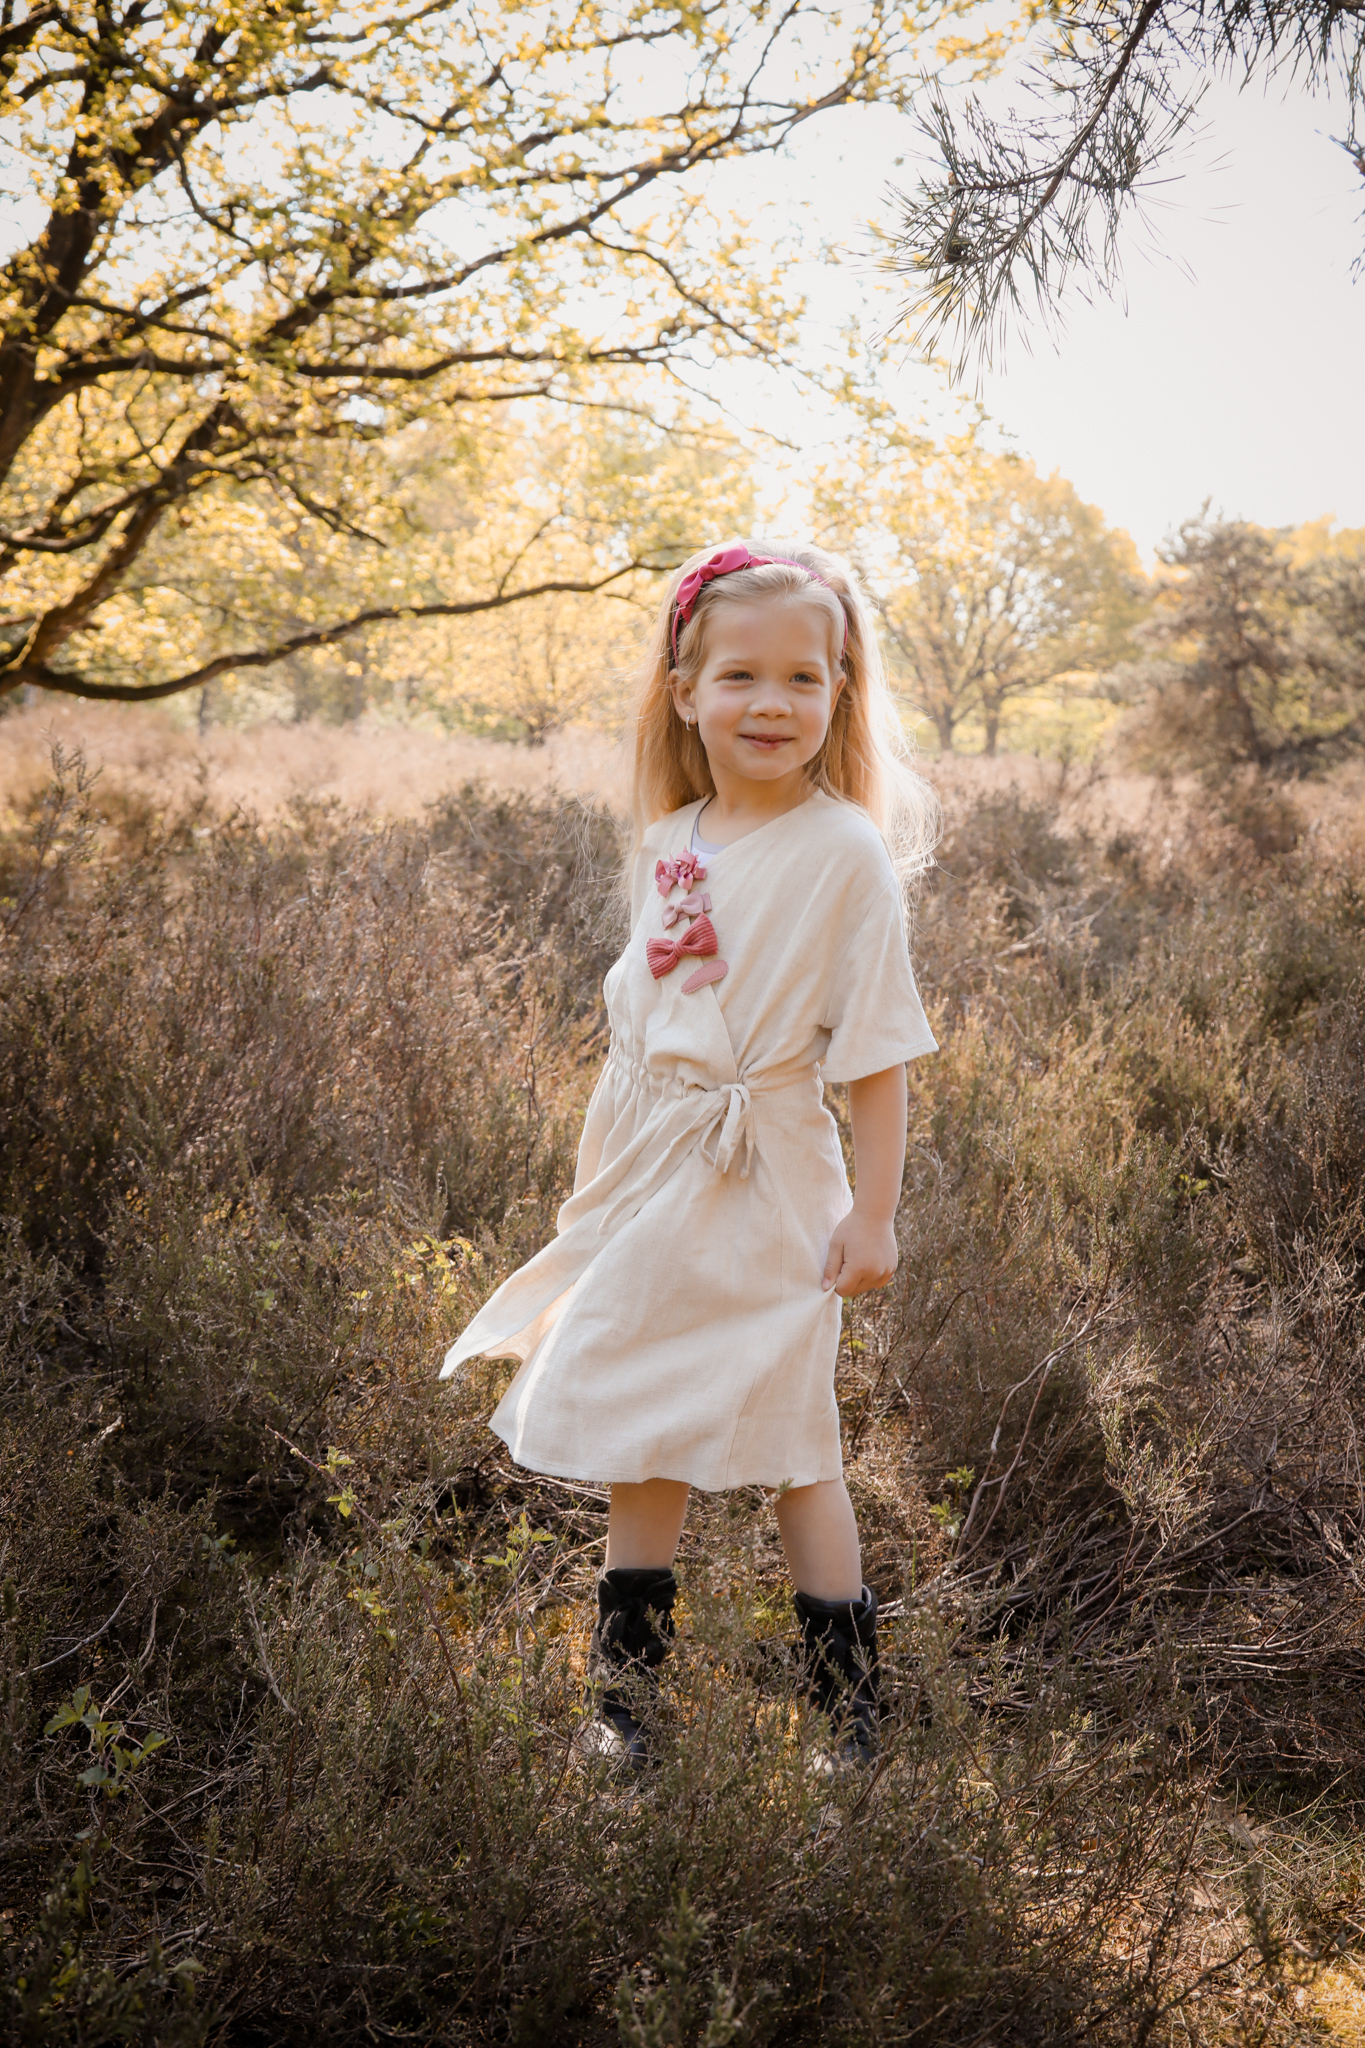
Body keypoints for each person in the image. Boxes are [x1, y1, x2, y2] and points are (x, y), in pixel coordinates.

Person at [440, 540, 939, 1767]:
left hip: (771, 1179)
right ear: (684, 690)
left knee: (797, 1439)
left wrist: (874, 1212)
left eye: (804, 678)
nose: (772, 702)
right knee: (640, 1418)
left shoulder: (844, 852)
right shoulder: (673, 837)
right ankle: (628, 1708)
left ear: (840, 691)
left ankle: (850, 1714)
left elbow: (877, 1055)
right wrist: (601, 1181)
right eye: (740, 675)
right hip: (653, 1174)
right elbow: (646, 1030)